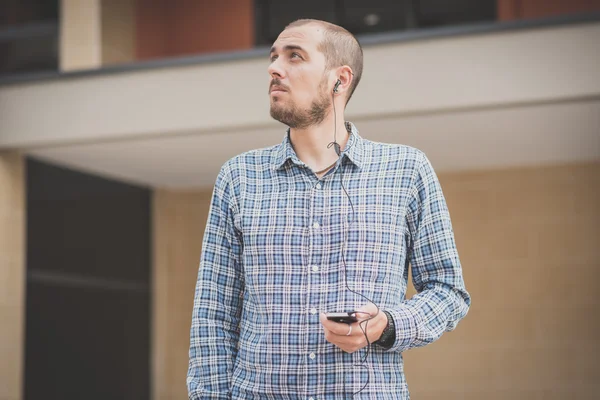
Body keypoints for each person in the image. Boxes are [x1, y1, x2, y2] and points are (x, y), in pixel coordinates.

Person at [188, 18, 470, 399]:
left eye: (294, 56)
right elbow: (213, 317)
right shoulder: (239, 177)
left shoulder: (407, 170)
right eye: (273, 57)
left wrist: (387, 325)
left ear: (340, 80)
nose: (274, 68)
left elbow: (448, 291)